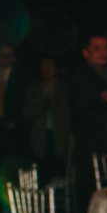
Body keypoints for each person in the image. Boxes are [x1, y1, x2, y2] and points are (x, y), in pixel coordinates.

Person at [70, 33, 107, 208]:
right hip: (92, 148)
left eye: (106, 48)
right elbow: (84, 114)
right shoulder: (82, 78)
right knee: (95, 196)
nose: (103, 53)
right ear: (86, 52)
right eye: (97, 48)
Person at [23, 57, 72, 185]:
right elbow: (26, 113)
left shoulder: (64, 87)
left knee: (61, 176)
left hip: (61, 138)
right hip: (41, 139)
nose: (46, 70)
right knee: (43, 175)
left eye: (49, 66)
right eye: (43, 67)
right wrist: (39, 106)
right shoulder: (34, 89)